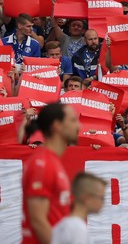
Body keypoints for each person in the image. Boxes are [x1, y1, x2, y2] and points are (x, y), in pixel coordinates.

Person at [22, 103, 80, 244]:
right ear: (57, 126)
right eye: (73, 120)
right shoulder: (42, 163)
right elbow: (38, 221)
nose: (79, 126)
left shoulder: (52, 161)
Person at [51, 173, 107, 244]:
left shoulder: (62, 225)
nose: (103, 202)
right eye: (101, 198)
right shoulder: (78, 228)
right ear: (87, 198)